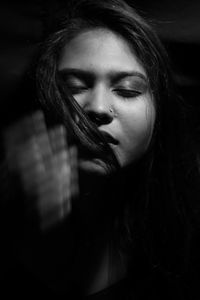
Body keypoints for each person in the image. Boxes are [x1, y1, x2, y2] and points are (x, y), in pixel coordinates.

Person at [1, 0, 200, 299]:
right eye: (74, 86)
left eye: (128, 90)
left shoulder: (186, 233)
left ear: (160, 112)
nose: (96, 108)